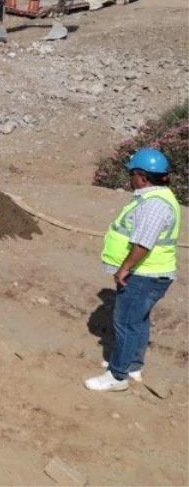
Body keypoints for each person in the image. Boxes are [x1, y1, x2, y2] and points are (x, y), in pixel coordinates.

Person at [85, 148, 180, 392]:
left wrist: (124, 269)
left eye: (132, 175)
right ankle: (133, 365)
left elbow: (143, 244)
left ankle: (117, 376)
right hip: (151, 273)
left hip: (144, 274)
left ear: (142, 176)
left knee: (126, 323)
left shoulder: (153, 205)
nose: (130, 180)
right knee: (138, 321)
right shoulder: (157, 197)